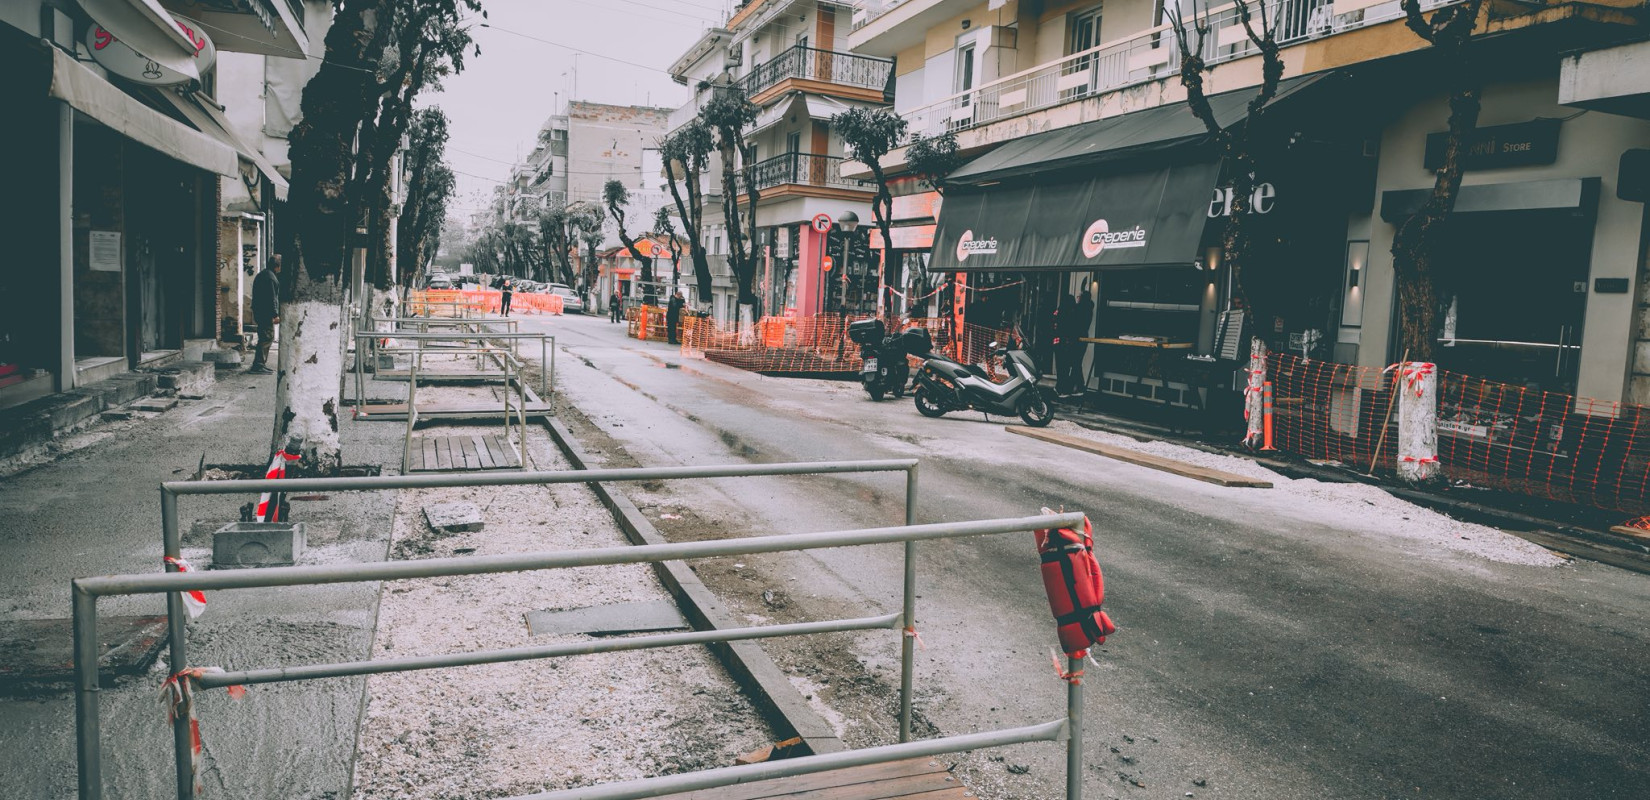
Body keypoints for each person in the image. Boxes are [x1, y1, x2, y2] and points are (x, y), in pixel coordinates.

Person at [248, 255, 281, 375]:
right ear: (277, 266)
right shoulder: (270, 278)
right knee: (267, 337)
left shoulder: (264, 274)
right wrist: (275, 314)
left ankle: (260, 364)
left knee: (264, 337)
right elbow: (272, 298)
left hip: (260, 311)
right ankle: (258, 365)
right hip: (265, 312)